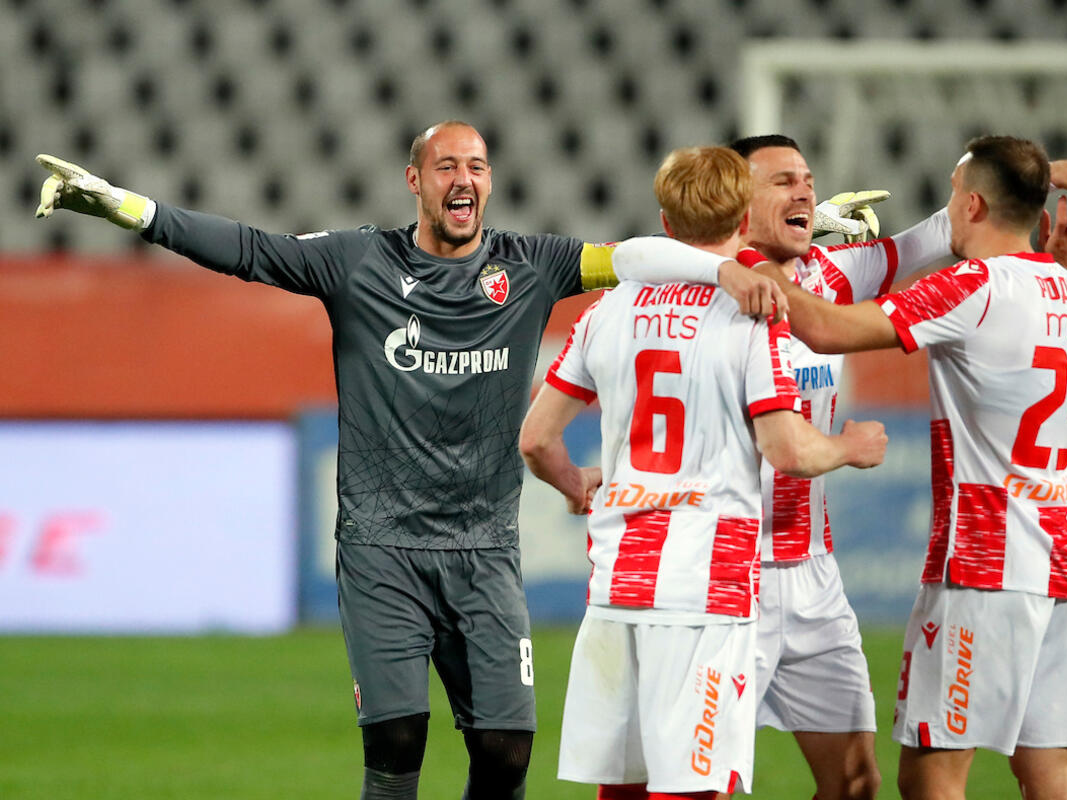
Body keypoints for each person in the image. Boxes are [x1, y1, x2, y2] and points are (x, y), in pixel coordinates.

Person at [30, 121, 790, 800]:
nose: (465, 179)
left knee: (505, 751)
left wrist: (741, 260)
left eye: (478, 166)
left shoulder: (532, 265)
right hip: (381, 546)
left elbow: (636, 256)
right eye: (447, 166)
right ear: (416, 181)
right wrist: (129, 209)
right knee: (396, 744)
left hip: (485, 549)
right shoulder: (358, 262)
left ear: (490, 182)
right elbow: (250, 250)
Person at [612, 137, 1067, 800]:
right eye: (782, 182)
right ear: (731, 200)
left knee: (862, 782)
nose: (805, 191)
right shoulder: (681, 286)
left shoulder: (836, 277)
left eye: (808, 179)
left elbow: (924, 244)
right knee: (691, 783)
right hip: (721, 569)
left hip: (842, 572)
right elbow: (635, 254)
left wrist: (1044, 177)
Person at [749, 135, 1067, 800]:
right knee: (1050, 771)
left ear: (973, 204)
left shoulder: (969, 286)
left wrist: (756, 268)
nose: (947, 209)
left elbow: (829, 329)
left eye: (954, 194)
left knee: (932, 776)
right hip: (1065, 565)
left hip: (981, 564)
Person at [518, 145, 888, 800]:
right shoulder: (754, 314)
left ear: (666, 221)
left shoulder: (607, 311)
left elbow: (536, 440)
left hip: (617, 586)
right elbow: (786, 450)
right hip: (705, 585)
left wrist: (577, 484)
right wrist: (848, 446)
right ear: (745, 219)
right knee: (692, 787)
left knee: (625, 786)